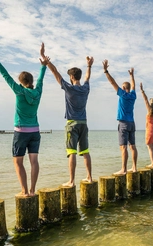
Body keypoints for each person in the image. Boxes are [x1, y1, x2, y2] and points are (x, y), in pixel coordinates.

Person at [0, 42, 49, 197]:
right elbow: (41, 79)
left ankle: (24, 191)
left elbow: (5, 75)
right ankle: (32, 191)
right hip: (35, 131)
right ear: (30, 81)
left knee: (18, 162)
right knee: (34, 161)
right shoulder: (38, 92)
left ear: (21, 82)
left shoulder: (19, 90)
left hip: (21, 132)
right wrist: (44, 65)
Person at [40, 44, 93, 185]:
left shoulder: (69, 88)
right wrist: (89, 66)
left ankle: (71, 181)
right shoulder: (85, 88)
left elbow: (55, 73)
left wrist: (45, 59)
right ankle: (89, 177)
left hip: (72, 124)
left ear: (71, 77)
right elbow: (87, 78)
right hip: (83, 123)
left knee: (72, 152)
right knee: (86, 151)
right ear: (79, 77)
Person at [102, 59, 137, 174]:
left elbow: (112, 82)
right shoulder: (133, 95)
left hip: (123, 123)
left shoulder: (122, 94)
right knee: (133, 146)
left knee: (123, 147)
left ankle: (124, 169)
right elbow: (134, 85)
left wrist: (106, 71)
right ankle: (134, 167)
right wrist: (132, 75)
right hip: (132, 123)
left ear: (123, 87)